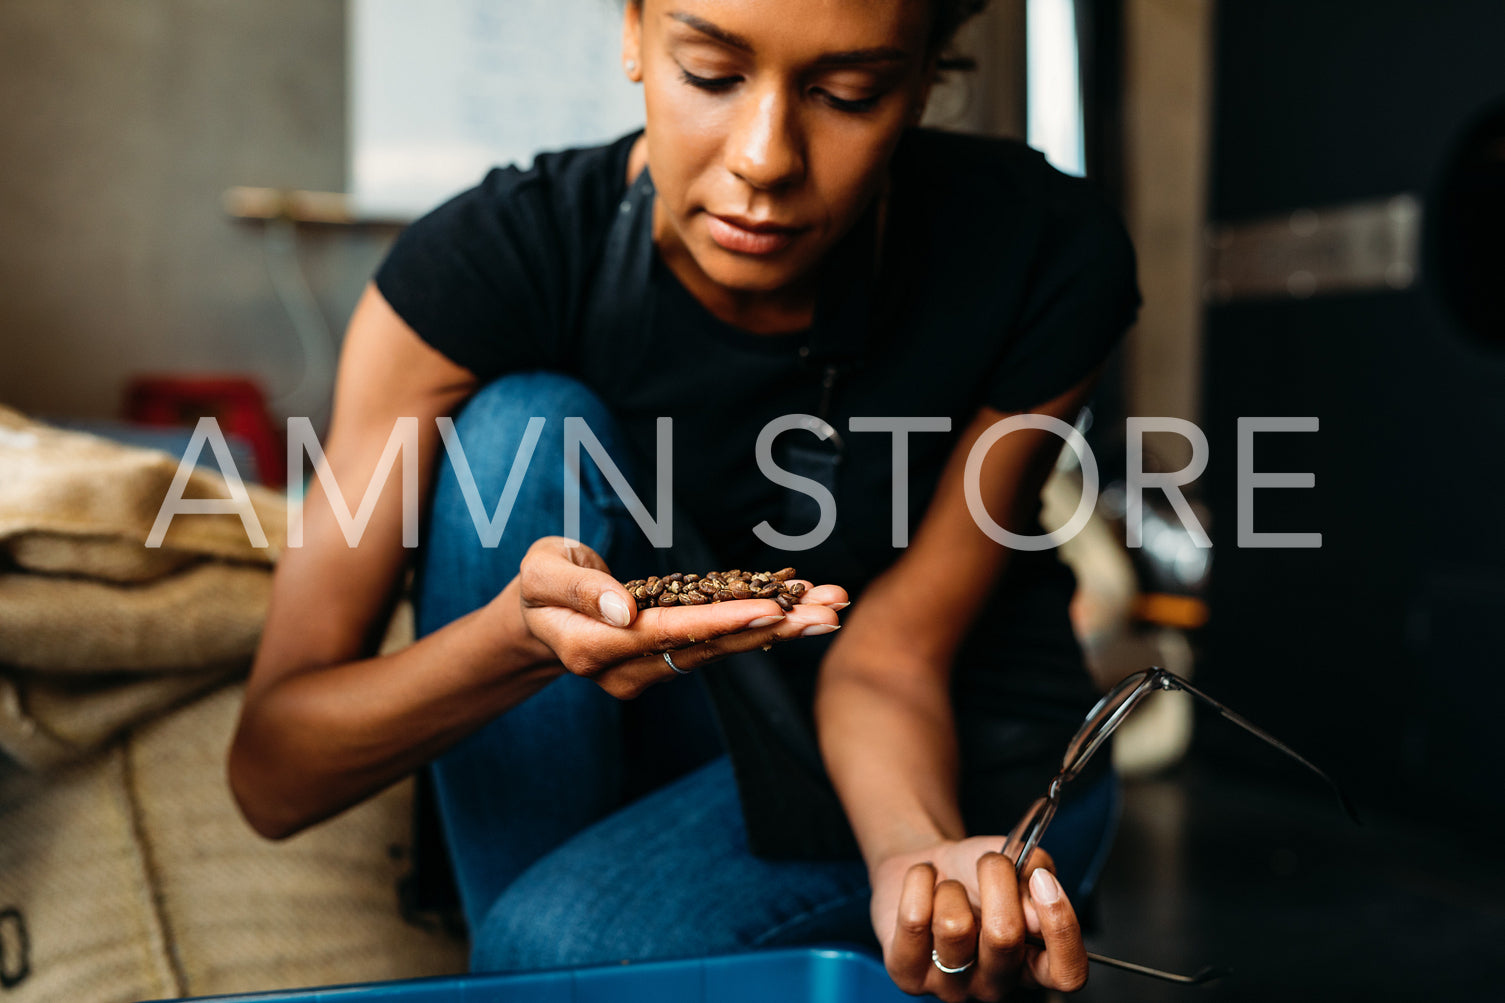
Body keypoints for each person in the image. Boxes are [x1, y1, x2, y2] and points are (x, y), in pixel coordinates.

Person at [228, 1, 1140, 999]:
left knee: (554, 952)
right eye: (710, 75)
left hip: (956, 751)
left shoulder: (1040, 249)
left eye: (849, 95)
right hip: (682, 731)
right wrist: (516, 643)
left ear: (923, 80)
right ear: (631, 32)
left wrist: (912, 859)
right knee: (519, 426)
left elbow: (892, 652)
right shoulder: (484, 267)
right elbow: (274, 772)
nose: (762, 160)